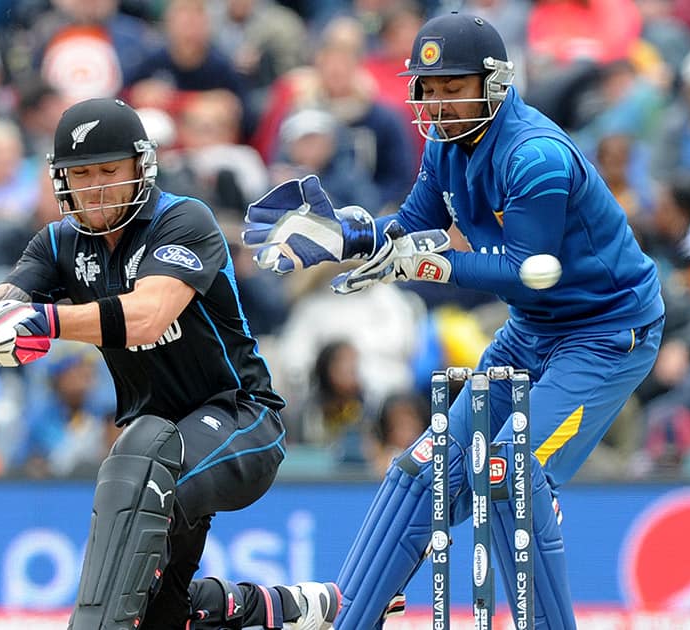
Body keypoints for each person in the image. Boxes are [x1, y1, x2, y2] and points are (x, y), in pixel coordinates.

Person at [243, 12, 665, 630]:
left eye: (453, 87)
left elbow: (529, 267)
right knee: (424, 467)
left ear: (493, 83)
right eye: (428, 88)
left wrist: (439, 266)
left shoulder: (535, 156)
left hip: (605, 336)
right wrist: (346, 235)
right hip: (532, 329)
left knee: (508, 476)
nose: (437, 103)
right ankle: (348, 618)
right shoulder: (445, 144)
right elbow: (411, 225)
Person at [0, 97, 340, 630]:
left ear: (141, 167)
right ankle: (288, 607)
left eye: (108, 171)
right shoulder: (57, 243)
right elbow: (8, 303)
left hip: (242, 420)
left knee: (140, 459)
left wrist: (37, 319)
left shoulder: (184, 220)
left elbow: (146, 315)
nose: (94, 188)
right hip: (157, 437)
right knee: (162, 616)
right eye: (81, 174)